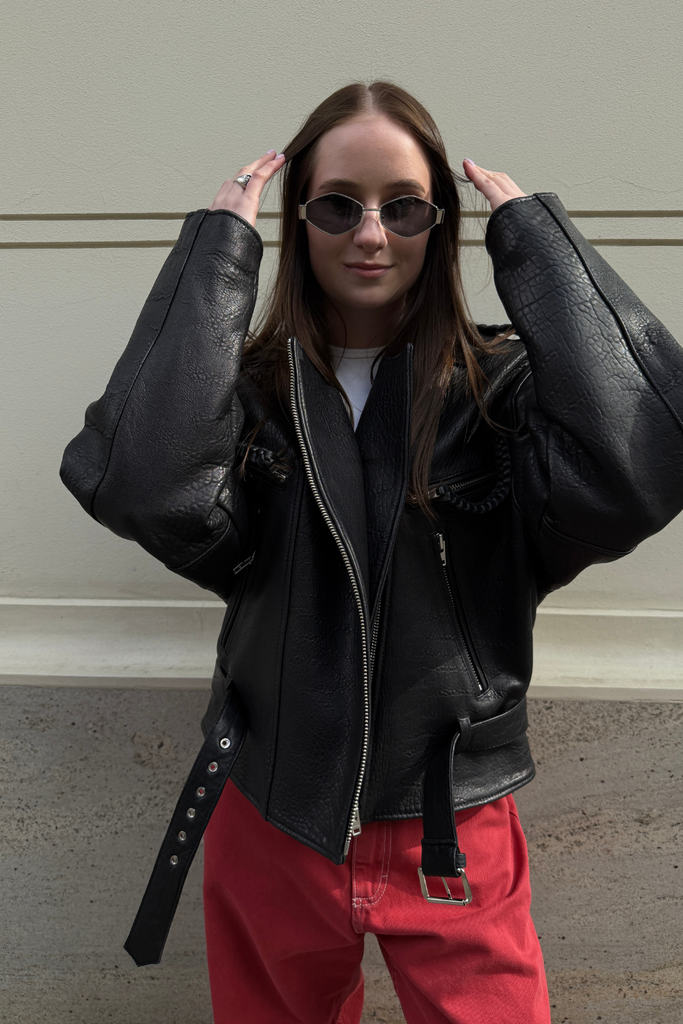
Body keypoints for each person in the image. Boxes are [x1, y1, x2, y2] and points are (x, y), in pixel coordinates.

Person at [60, 81, 683, 1024]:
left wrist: (539, 249)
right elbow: (139, 484)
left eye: (404, 207)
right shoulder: (248, 393)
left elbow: (644, 461)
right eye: (336, 205)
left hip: (453, 818)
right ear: (298, 217)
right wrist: (217, 257)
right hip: (271, 813)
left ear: (439, 223)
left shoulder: (501, 390)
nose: (370, 233)